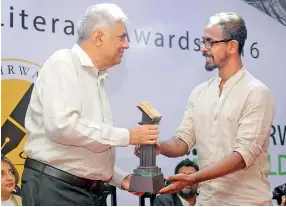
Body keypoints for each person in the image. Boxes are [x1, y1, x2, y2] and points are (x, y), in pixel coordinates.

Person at [22, 3, 159, 206]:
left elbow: (83, 150)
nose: (127, 45)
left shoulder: (97, 77)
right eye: (121, 37)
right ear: (98, 37)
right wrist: (128, 136)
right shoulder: (63, 63)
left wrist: (121, 179)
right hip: (55, 189)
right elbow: (63, 127)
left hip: (85, 192)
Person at [135, 12, 274, 205]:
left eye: (210, 42)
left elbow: (243, 155)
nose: (202, 48)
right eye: (203, 41)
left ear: (232, 46)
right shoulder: (200, 92)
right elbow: (184, 139)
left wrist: (195, 178)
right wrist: (161, 147)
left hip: (246, 202)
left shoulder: (256, 92)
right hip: (207, 201)